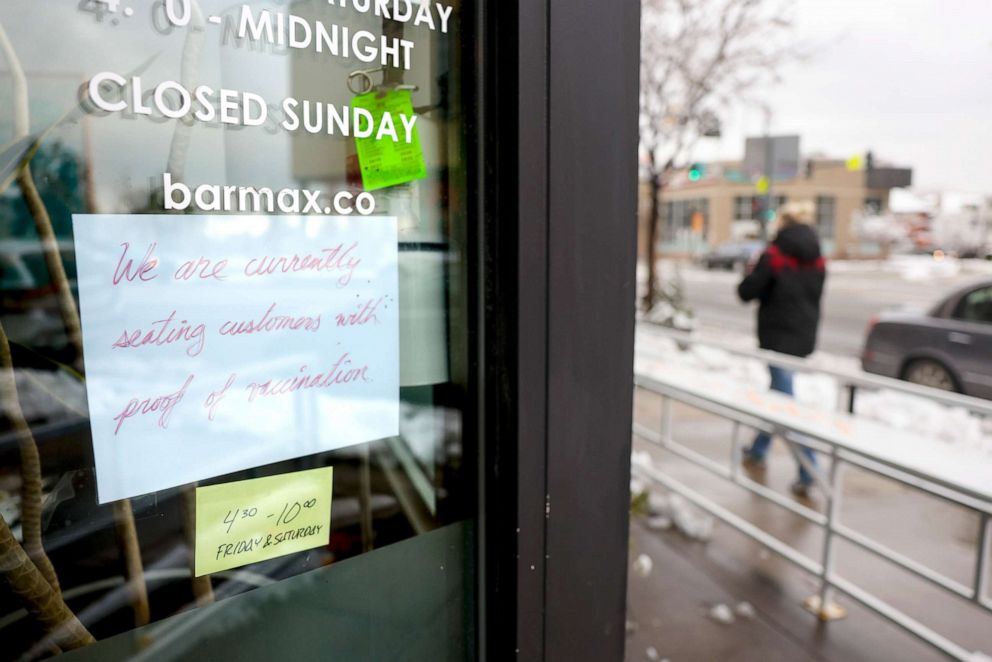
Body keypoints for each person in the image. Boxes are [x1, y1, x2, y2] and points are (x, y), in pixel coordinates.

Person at [737, 200, 826, 498]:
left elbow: (746, 292)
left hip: (776, 339)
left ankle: (809, 470)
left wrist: (753, 270)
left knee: (786, 406)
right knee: (778, 395)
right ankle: (758, 450)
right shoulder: (816, 256)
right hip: (802, 338)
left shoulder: (773, 255)